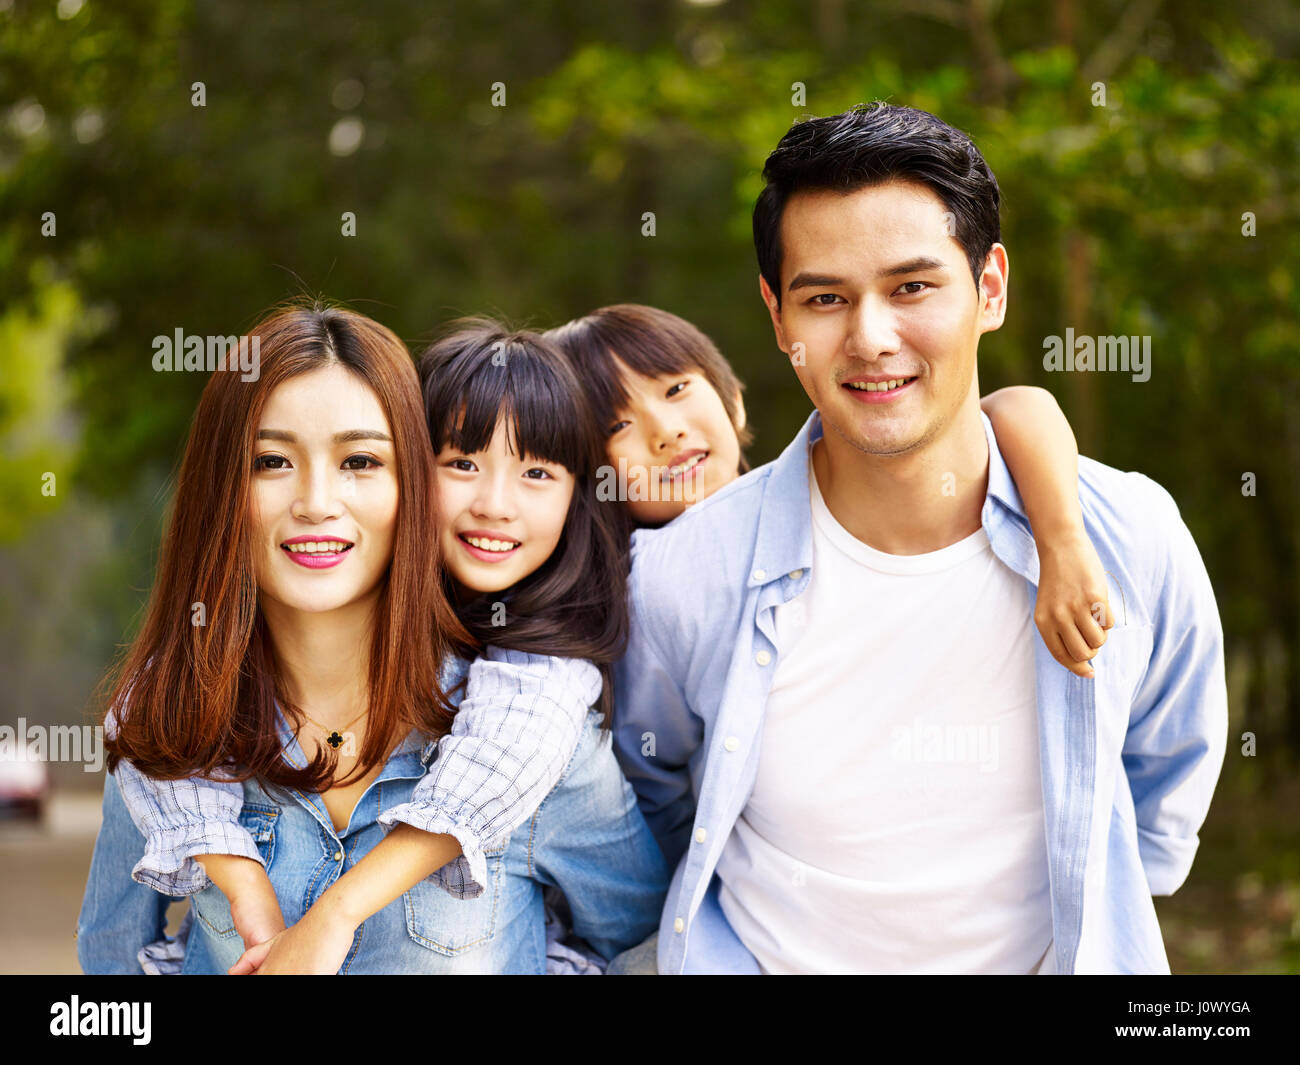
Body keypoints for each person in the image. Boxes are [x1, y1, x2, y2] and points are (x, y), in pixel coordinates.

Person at [609, 103, 1228, 974]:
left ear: (991, 288)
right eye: (825, 297)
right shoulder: (684, 574)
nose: (870, 337)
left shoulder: (1130, 536)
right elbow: (657, 798)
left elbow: (1163, 788)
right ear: (778, 316)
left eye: (912, 287)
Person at [77, 304, 666, 974]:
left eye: (359, 459)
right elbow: (112, 958)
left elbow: (647, 941)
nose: (317, 501)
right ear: (223, 490)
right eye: (271, 460)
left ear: (409, 484)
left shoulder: (534, 734)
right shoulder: (173, 728)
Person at [547, 304, 1116, 679]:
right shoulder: (623, 600)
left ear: (733, 401)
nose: (664, 432)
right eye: (615, 426)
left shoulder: (812, 505)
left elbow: (1015, 406)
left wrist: (1061, 542)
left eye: (675, 389)